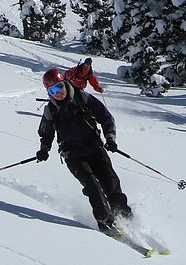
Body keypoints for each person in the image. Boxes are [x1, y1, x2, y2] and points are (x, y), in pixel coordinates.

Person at [36, 68, 132, 232]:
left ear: (64, 83)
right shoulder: (50, 110)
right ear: (48, 92)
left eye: (60, 87)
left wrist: (110, 139)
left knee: (111, 182)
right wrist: (44, 149)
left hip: (94, 148)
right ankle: (105, 221)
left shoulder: (81, 97)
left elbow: (105, 116)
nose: (58, 93)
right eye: (53, 90)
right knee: (92, 185)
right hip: (73, 155)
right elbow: (46, 133)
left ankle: (126, 219)